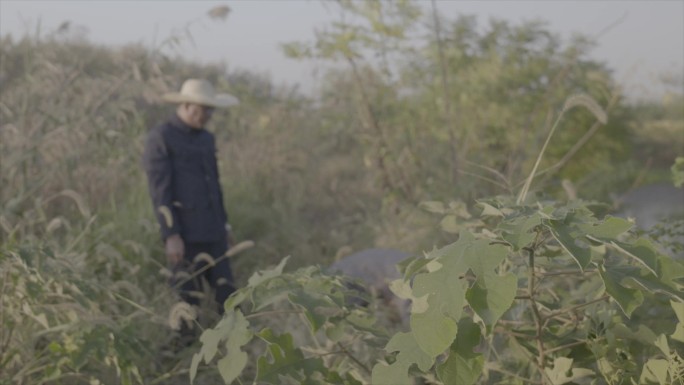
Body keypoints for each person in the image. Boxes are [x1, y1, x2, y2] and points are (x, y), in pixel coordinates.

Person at [143, 79, 239, 334]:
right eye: (203, 109)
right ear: (185, 105)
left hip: (214, 230)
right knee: (187, 303)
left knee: (229, 295)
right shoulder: (161, 138)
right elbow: (160, 192)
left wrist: (225, 224)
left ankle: (234, 346)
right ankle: (180, 359)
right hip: (185, 235)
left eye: (211, 110)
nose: (208, 115)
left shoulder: (207, 139)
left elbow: (214, 185)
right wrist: (171, 235)